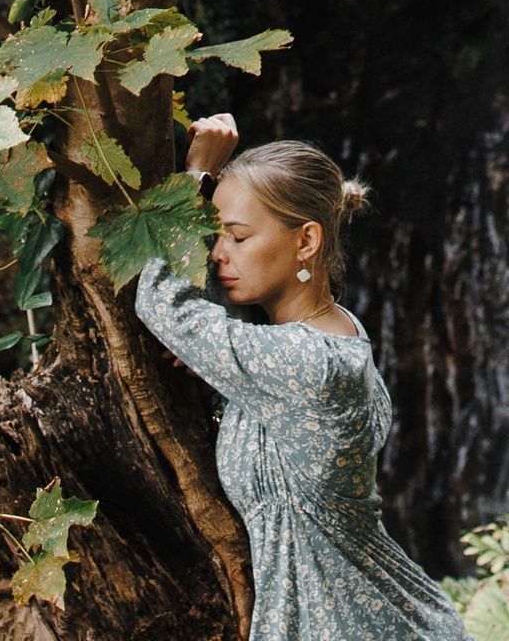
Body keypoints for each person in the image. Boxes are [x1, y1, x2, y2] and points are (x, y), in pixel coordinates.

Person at [135, 117, 461, 641]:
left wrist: (194, 173)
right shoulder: (336, 334)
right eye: (216, 235)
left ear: (307, 240)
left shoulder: (310, 364)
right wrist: (223, 372)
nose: (218, 253)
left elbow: (159, 303)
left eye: (237, 236)